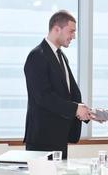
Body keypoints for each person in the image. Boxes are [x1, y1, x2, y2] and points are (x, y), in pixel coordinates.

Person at [23, 10, 90, 160]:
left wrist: (85, 111)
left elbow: (68, 94)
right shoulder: (37, 55)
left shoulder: (61, 56)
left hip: (59, 137)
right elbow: (43, 97)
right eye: (71, 31)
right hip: (42, 138)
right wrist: (75, 109)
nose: (74, 36)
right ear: (56, 29)